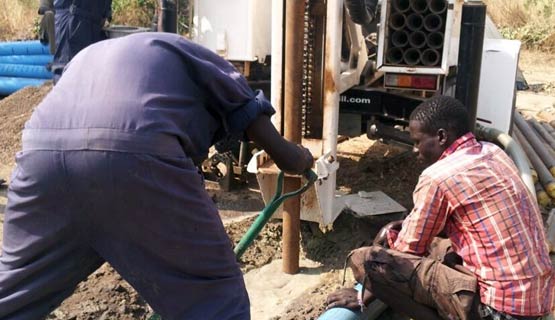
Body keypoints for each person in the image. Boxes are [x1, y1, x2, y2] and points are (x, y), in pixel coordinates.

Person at [0, 32, 314, 319]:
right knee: (213, 296)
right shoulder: (209, 62)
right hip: (133, 151)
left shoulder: (98, 56)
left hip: (40, 156)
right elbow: (253, 116)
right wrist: (298, 158)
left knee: (16, 293)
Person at [321, 95, 554, 320]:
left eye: (417, 141)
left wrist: (364, 292)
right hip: (537, 301)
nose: (414, 150)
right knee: (440, 248)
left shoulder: (438, 176)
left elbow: (407, 250)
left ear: (441, 136)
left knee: (369, 260)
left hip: (497, 311)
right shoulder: (493, 152)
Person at [47, 0, 113, 83]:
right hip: (73, 21)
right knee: (67, 72)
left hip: (93, 23)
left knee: (92, 75)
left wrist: (106, 14)